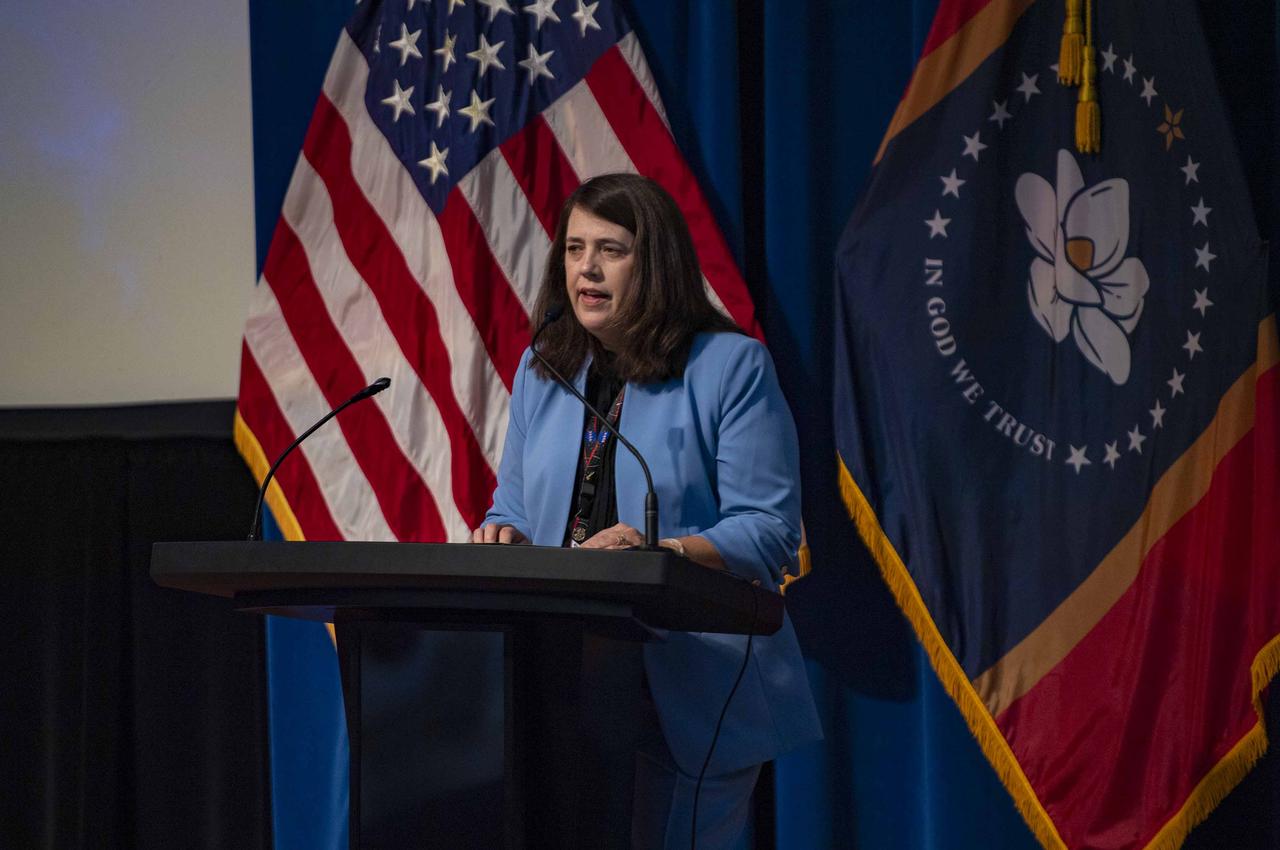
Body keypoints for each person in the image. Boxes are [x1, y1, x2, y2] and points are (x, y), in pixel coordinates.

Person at [472, 173, 821, 848]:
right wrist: (504, 532)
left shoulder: (730, 367)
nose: (587, 268)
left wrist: (662, 556)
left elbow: (769, 530)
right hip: (562, 678)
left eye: (611, 249)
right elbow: (514, 504)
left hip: (689, 680)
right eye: (574, 249)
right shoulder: (545, 369)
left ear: (654, 262)